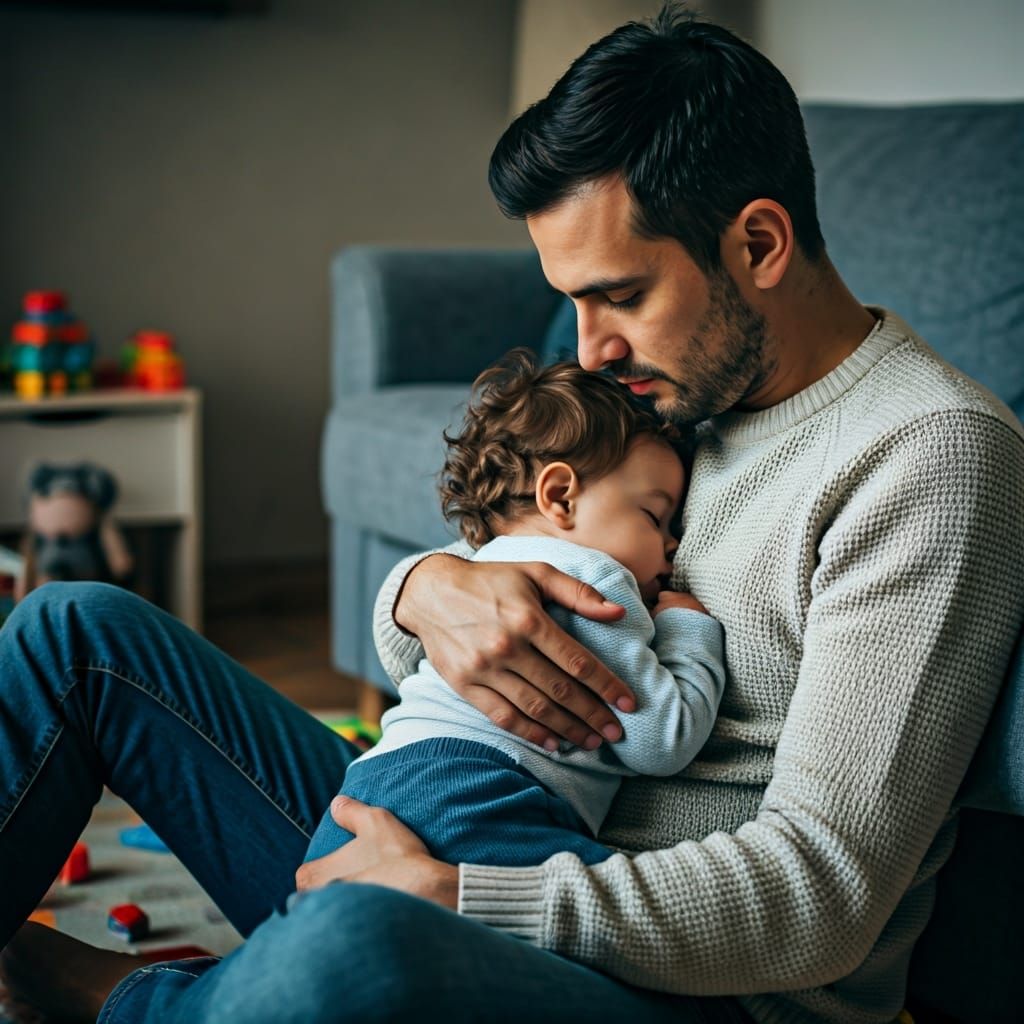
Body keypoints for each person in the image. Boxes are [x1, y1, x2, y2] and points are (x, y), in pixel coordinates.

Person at [0, 4, 1021, 1023]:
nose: (591, 349)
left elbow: (823, 896)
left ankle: (127, 999)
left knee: (349, 949)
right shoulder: (681, 395)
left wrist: (464, 899)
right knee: (73, 633)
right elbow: (473, 606)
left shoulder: (927, 456)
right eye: (572, 301)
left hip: (692, 990)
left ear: (758, 243)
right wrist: (422, 590)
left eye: (621, 295)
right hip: (481, 817)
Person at [305, 351, 726, 868]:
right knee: (602, 902)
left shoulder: (477, 563)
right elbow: (662, 740)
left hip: (367, 787)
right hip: (485, 797)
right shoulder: (595, 580)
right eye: (653, 516)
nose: (671, 545)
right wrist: (688, 629)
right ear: (560, 497)